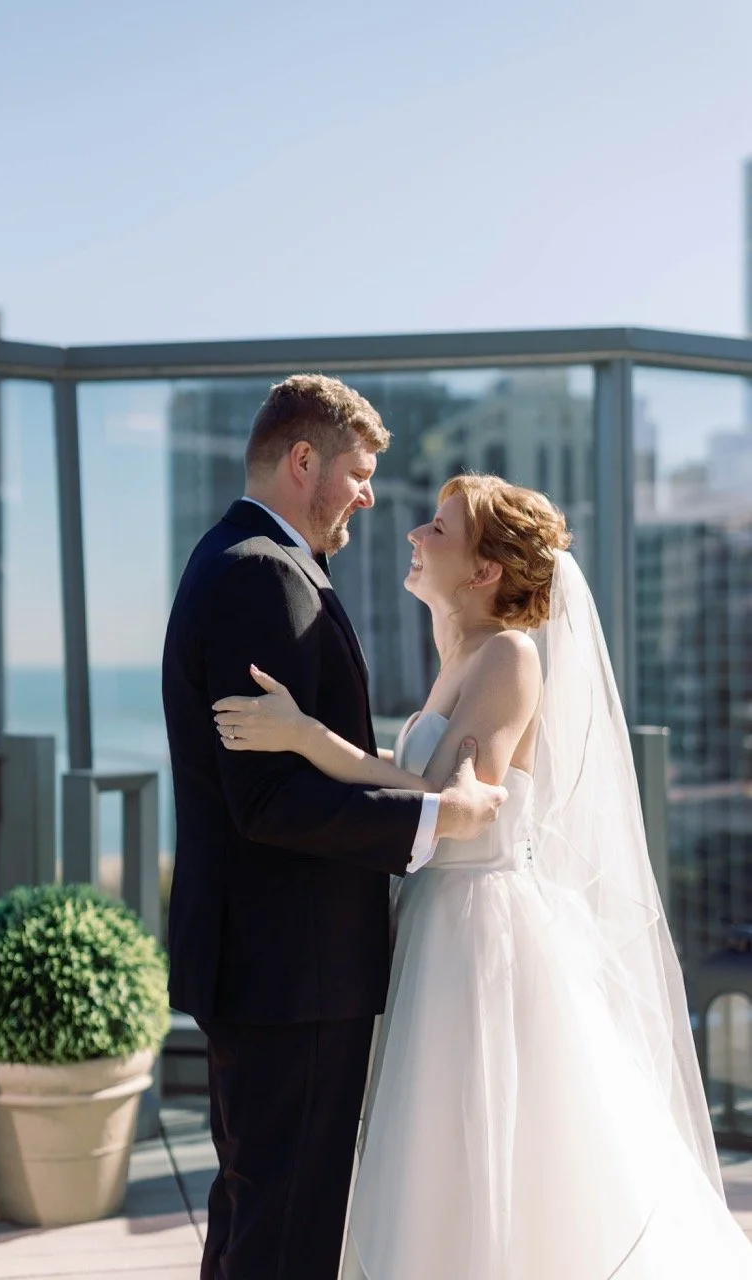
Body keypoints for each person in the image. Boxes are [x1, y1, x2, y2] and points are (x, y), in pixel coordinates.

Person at [214, 472, 752, 1279]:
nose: (414, 535)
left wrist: (303, 737)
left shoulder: (509, 655)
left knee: (482, 1141)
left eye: (437, 528)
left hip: (478, 934)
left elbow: (439, 799)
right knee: (436, 1147)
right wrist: (309, 741)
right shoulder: (461, 654)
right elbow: (419, 784)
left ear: (484, 569)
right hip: (434, 919)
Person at [161, 376, 507, 1280]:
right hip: (291, 966)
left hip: (273, 963)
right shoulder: (260, 573)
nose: (368, 497)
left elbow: (296, 767)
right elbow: (270, 800)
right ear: (302, 460)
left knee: (257, 1215)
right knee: (284, 1231)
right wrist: (434, 819)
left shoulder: (244, 558)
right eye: (357, 474)